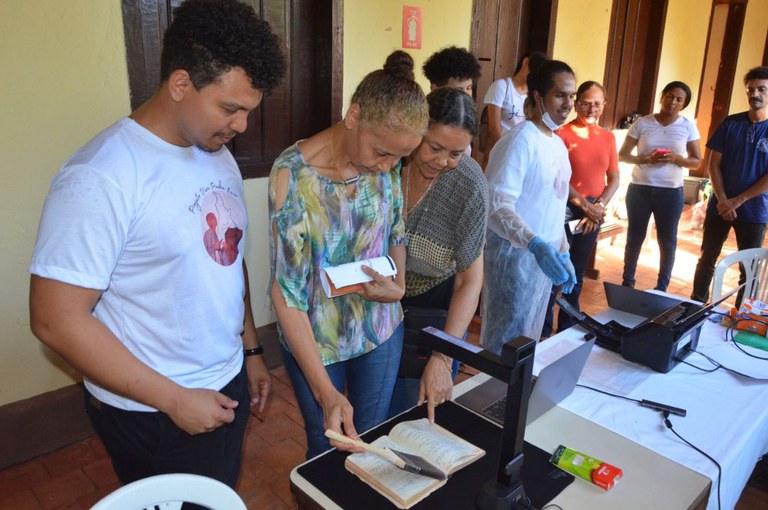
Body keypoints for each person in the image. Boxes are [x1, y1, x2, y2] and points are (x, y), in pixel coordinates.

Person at [28, 0, 285, 488]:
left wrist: (250, 351)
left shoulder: (215, 154)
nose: (241, 127)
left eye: (249, 111)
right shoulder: (101, 176)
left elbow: (226, 260)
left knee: (217, 494)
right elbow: (54, 319)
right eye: (231, 108)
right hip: (153, 409)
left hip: (223, 380)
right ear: (181, 83)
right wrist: (172, 399)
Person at [268, 50, 428, 458]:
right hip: (317, 343)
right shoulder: (294, 176)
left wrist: (399, 287)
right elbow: (286, 292)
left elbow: (396, 232)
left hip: (380, 331)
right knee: (327, 446)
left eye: (399, 158)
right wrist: (325, 391)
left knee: (370, 441)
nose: (389, 165)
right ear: (354, 116)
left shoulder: (387, 167)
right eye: (382, 152)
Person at [387, 87, 488, 421]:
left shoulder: (469, 185)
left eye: (456, 153)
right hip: (376, 305)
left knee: (411, 415)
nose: (443, 162)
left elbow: (469, 281)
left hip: (434, 317)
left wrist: (443, 356)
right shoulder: (389, 162)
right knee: (373, 414)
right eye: (434, 147)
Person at [480, 60, 578, 355]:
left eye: (571, 96)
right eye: (560, 95)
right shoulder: (520, 140)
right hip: (515, 257)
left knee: (528, 337)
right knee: (505, 341)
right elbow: (497, 203)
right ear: (538, 96)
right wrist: (533, 242)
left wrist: (562, 250)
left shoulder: (557, 145)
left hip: (541, 260)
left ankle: (514, 397)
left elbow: (553, 203)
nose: (568, 104)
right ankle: (494, 397)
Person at [542, 81, 620, 336]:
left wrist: (597, 207)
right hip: (565, 208)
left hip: (592, 213)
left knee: (577, 271)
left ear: (604, 105)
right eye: (586, 102)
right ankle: (541, 328)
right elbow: (558, 178)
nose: (591, 108)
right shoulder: (562, 134)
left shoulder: (608, 137)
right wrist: (586, 206)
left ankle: (566, 327)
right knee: (555, 269)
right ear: (576, 103)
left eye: (597, 103)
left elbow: (615, 178)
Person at [691, 67, 768, 304]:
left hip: (755, 210)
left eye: (762, 89)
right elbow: (713, 165)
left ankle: (742, 314)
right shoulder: (730, 124)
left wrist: (738, 200)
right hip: (720, 206)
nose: (755, 94)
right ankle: (695, 306)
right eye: (751, 89)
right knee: (707, 258)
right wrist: (724, 200)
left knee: (749, 266)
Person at [619, 81, 702, 291]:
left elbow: (696, 160)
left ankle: (661, 287)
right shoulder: (642, 123)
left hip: (671, 193)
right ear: (662, 96)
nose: (672, 102)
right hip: (640, 189)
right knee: (634, 237)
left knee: (667, 241)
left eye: (678, 99)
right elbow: (623, 155)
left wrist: (677, 159)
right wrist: (643, 159)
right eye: (669, 96)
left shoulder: (687, 127)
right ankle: (627, 281)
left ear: (683, 104)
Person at [481, 51, 548, 158]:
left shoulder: (534, 95)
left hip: (521, 151)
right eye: (532, 72)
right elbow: (494, 128)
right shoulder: (502, 86)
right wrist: (505, 152)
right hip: (499, 149)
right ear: (525, 62)